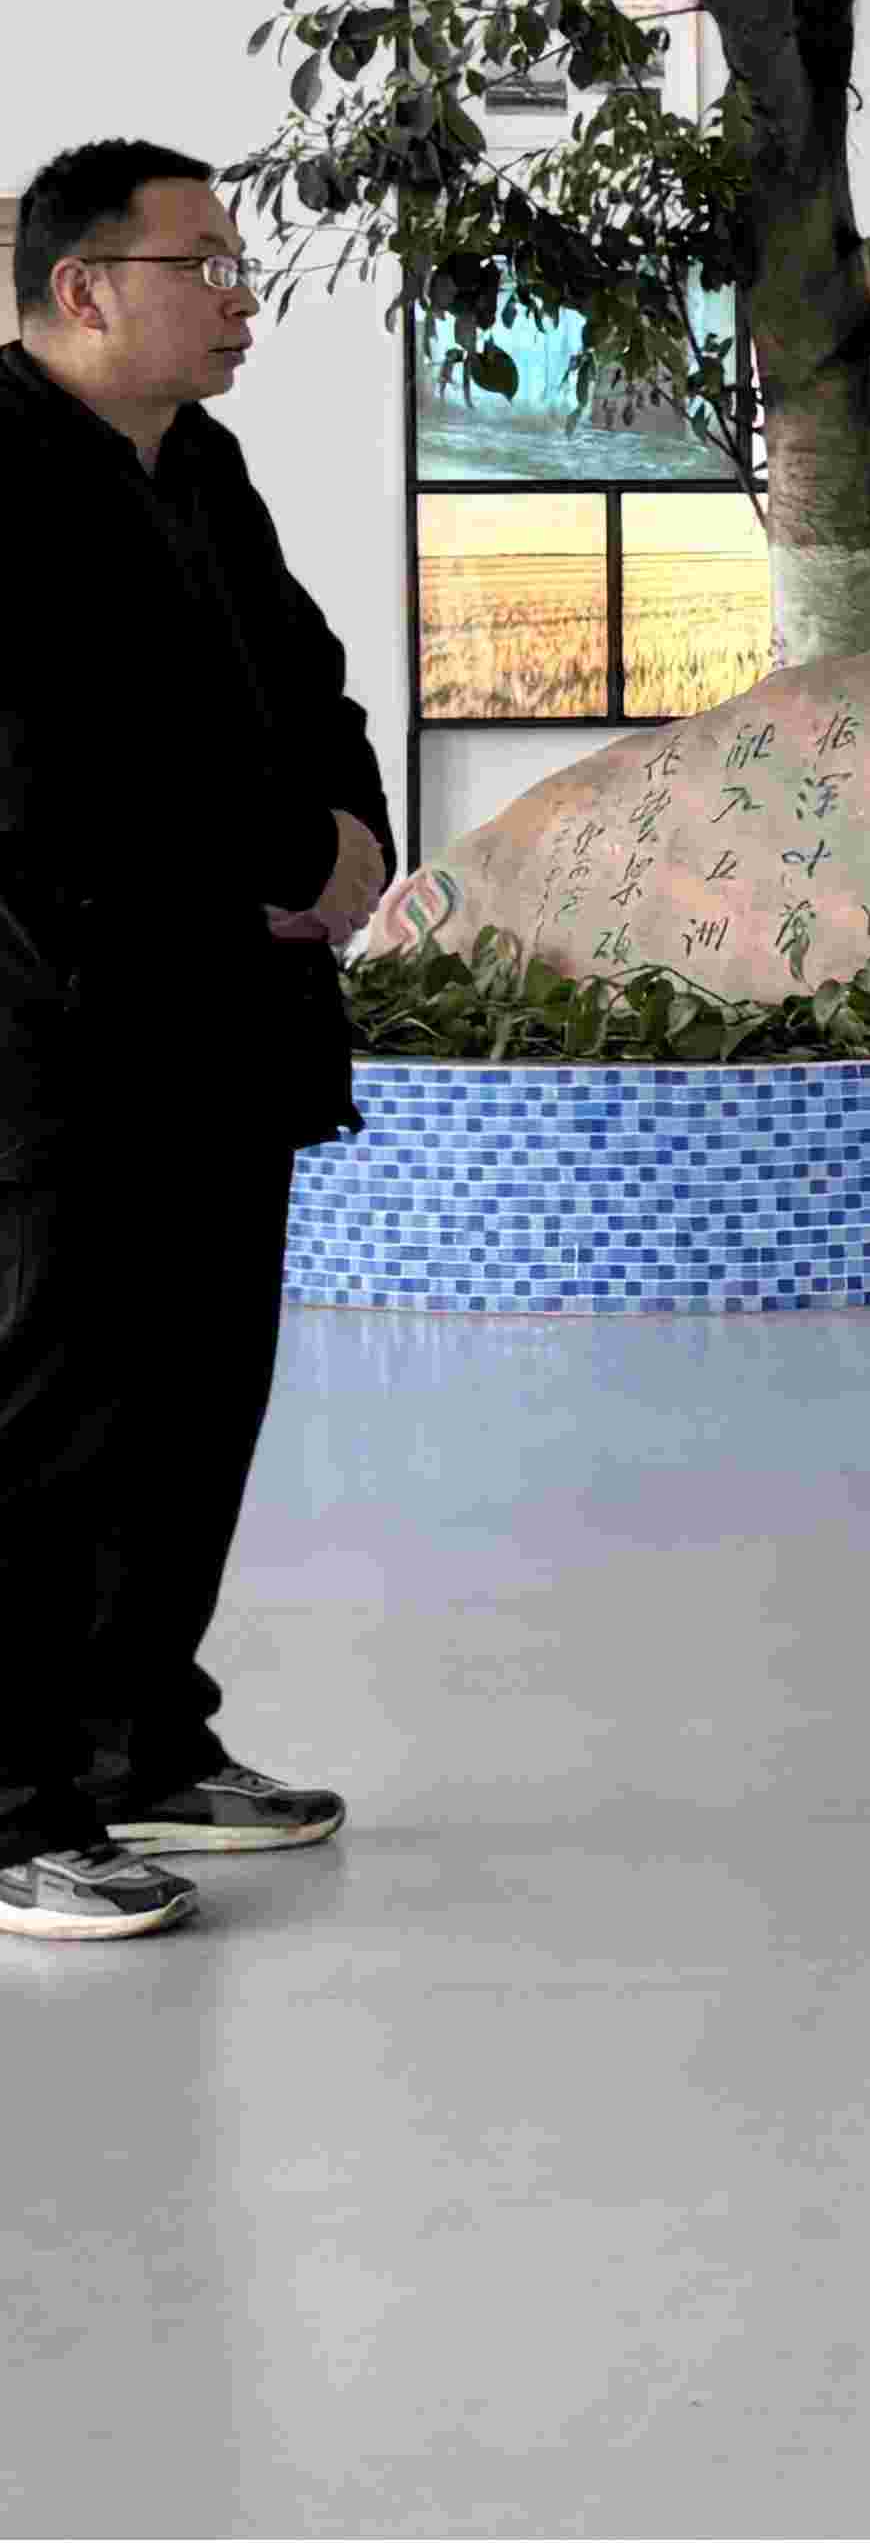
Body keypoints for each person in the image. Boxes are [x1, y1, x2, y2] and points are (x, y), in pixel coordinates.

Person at [0, 143, 384, 1945]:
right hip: (58, 1041)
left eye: (239, 260)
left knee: (191, 1413)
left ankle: (143, 1744)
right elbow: (51, 770)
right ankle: (13, 1806)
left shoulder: (202, 466)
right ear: (84, 288)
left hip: (223, 1028)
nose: (242, 295)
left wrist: (351, 836)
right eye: (205, 263)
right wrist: (282, 854)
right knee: (50, 1428)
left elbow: (308, 684)